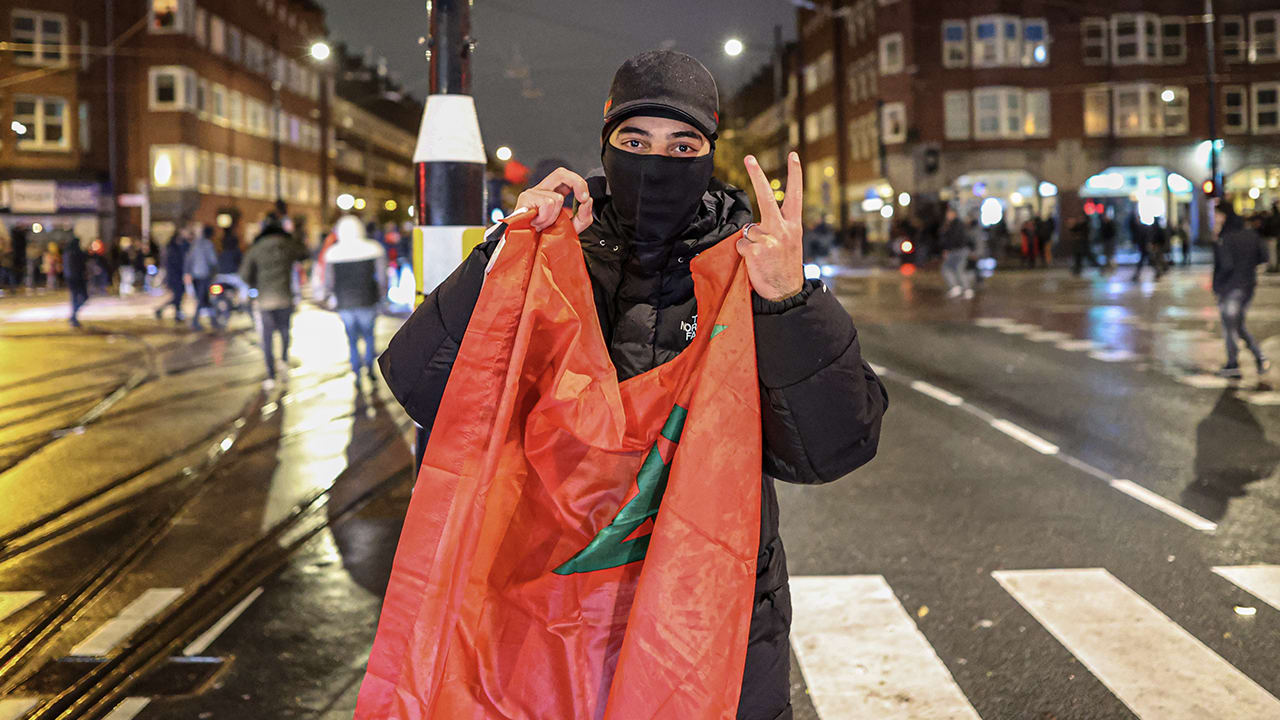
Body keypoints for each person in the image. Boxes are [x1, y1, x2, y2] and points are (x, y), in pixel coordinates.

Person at [375, 50, 887, 720]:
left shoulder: (752, 266)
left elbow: (831, 448)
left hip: (713, 614)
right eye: (635, 141)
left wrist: (789, 302)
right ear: (606, 142)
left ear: (710, 152)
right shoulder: (562, 249)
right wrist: (508, 252)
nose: (658, 161)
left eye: (683, 144)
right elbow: (424, 389)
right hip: (552, 609)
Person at [241, 212, 309, 385]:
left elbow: (244, 274)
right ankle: (284, 360)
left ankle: (271, 375)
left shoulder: (256, 248)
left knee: (267, 336)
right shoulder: (287, 244)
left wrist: (256, 283)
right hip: (285, 296)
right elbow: (304, 253)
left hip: (265, 299)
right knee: (285, 331)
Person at [323, 216, 387, 385]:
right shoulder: (374, 249)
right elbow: (382, 277)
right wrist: (382, 295)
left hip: (344, 303)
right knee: (369, 336)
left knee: (351, 339)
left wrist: (329, 295)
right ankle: (370, 369)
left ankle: (356, 372)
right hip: (368, 300)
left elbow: (328, 282)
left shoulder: (333, 253)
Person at [1212, 202, 1270, 378]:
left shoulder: (1225, 237)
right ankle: (1258, 357)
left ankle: (1233, 363)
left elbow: (1226, 265)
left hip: (1231, 287)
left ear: (1224, 215)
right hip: (1247, 286)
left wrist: (1218, 286)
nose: (1215, 218)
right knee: (1237, 325)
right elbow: (1264, 256)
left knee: (1230, 326)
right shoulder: (1251, 234)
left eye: (1217, 214)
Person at [185, 224, 220, 329]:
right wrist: (215, 272)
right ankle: (196, 321)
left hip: (196, 276)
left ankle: (213, 321)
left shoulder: (195, 244)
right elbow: (213, 260)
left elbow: (189, 259)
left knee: (204, 298)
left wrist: (188, 272)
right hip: (205, 275)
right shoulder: (208, 244)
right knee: (203, 298)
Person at [939, 206, 973, 298]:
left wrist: (947, 249)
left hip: (957, 250)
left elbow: (952, 238)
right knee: (958, 270)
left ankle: (959, 288)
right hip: (960, 250)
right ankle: (964, 289)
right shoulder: (955, 224)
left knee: (947, 269)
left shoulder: (955, 224)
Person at [155, 231, 190, 322]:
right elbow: (175, 264)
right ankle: (175, 314)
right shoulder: (173, 250)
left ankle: (172, 313)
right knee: (178, 296)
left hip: (177, 276)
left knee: (178, 296)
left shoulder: (175, 248)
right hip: (175, 277)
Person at [63, 236, 89, 328]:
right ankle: (73, 316)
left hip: (70, 278)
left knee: (75, 297)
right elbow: (82, 260)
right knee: (83, 296)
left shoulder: (67, 252)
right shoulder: (75, 253)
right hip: (77, 278)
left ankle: (73, 316)